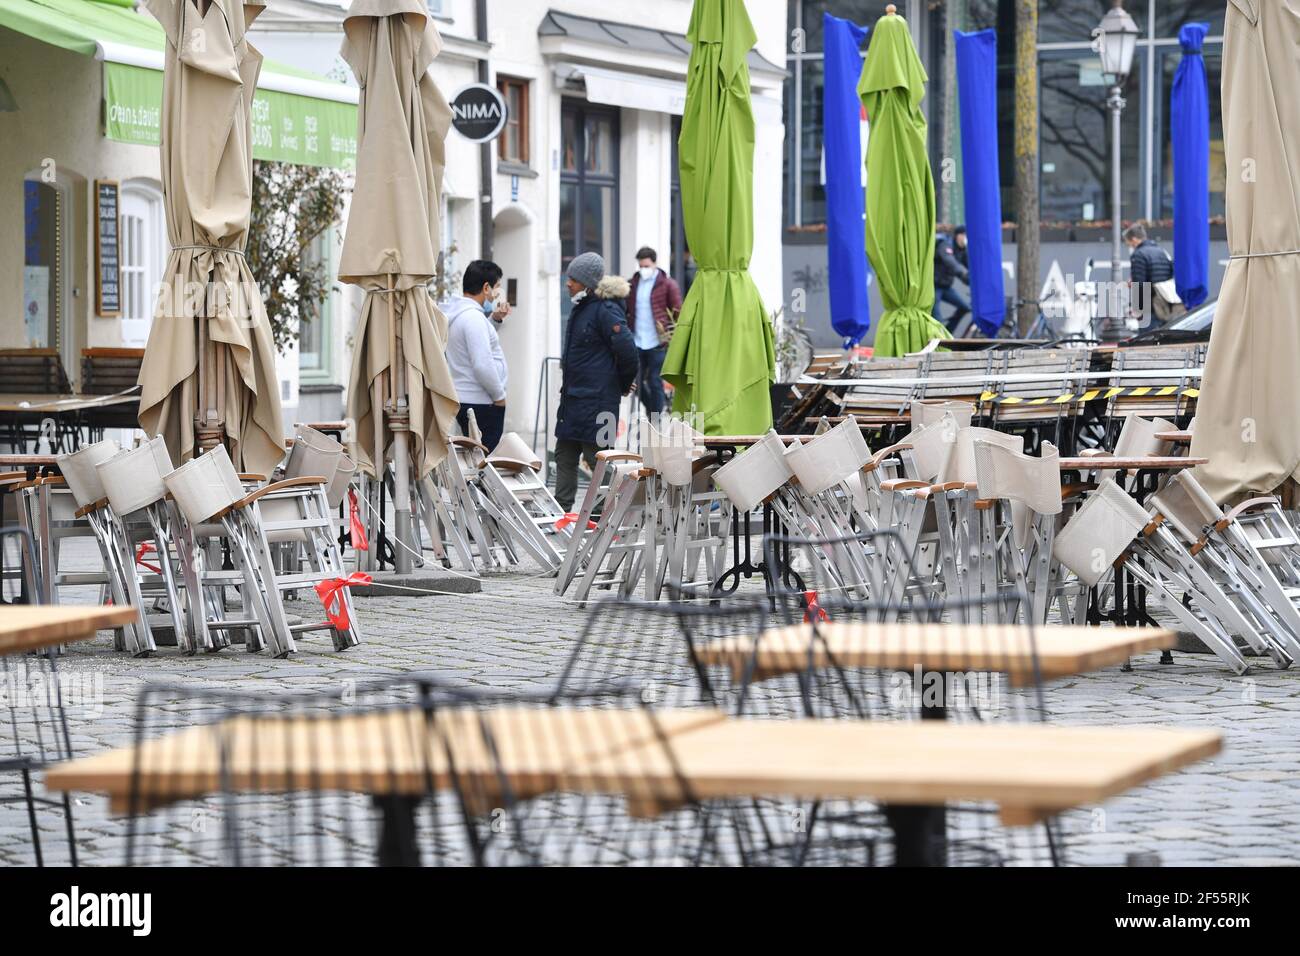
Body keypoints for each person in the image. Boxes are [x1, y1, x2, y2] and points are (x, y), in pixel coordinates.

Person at [554, 252, 637, 512]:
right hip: (572, 401)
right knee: (564, 456)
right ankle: (562, 511)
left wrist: (621, 385)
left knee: (599, 460)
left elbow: (628, 352)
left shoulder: (605, 310)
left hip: (599, 402)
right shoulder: (582, 308)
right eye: (569, 277)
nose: (569, 283)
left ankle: (604, 515)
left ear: (588, 283)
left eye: (574, 279)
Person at [445, 259, 511, 451]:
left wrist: (495, 319)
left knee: (474, 459)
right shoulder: (473, 318)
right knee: (484, 462)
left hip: (468, 398)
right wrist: (499, 397)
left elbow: (475, 343)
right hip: (481, 402)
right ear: (486, 288)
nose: (498, 291)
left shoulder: (462, 314)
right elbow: (482, 363)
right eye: (497, 286)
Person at [625, 246, 683, 417]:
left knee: (655, 381)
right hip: (636, 340)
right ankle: (653, 409)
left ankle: (655, 418)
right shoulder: (633, 284)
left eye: (646, 266)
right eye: (641, 266)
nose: (643, 270)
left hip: (658, 341)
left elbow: (677, 310)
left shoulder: (668, 284)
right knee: (634, 380)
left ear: (655, 263)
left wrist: (671, 335)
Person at [1124, 223, 1184, 326]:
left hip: (1150, 308)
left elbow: (1139, 285)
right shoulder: (1161, 251)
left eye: (1128, 243)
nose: (1130, 246)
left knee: (1146, 340)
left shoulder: (1138, 254)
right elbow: (1171, 273)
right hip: (1166, 304)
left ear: (1134, 239)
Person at [933, 227, 971, 333]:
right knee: (937, 317)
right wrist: (964, 273)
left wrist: (973, 281)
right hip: (934, 286)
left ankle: (948, 333)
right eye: (964, 235)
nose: (966, 238)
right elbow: (951, 262)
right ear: (958, 235)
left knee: (965, 307)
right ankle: (940, 338)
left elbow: (969, 266)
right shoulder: (945, 244)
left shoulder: (962, 250)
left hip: (946, 287)